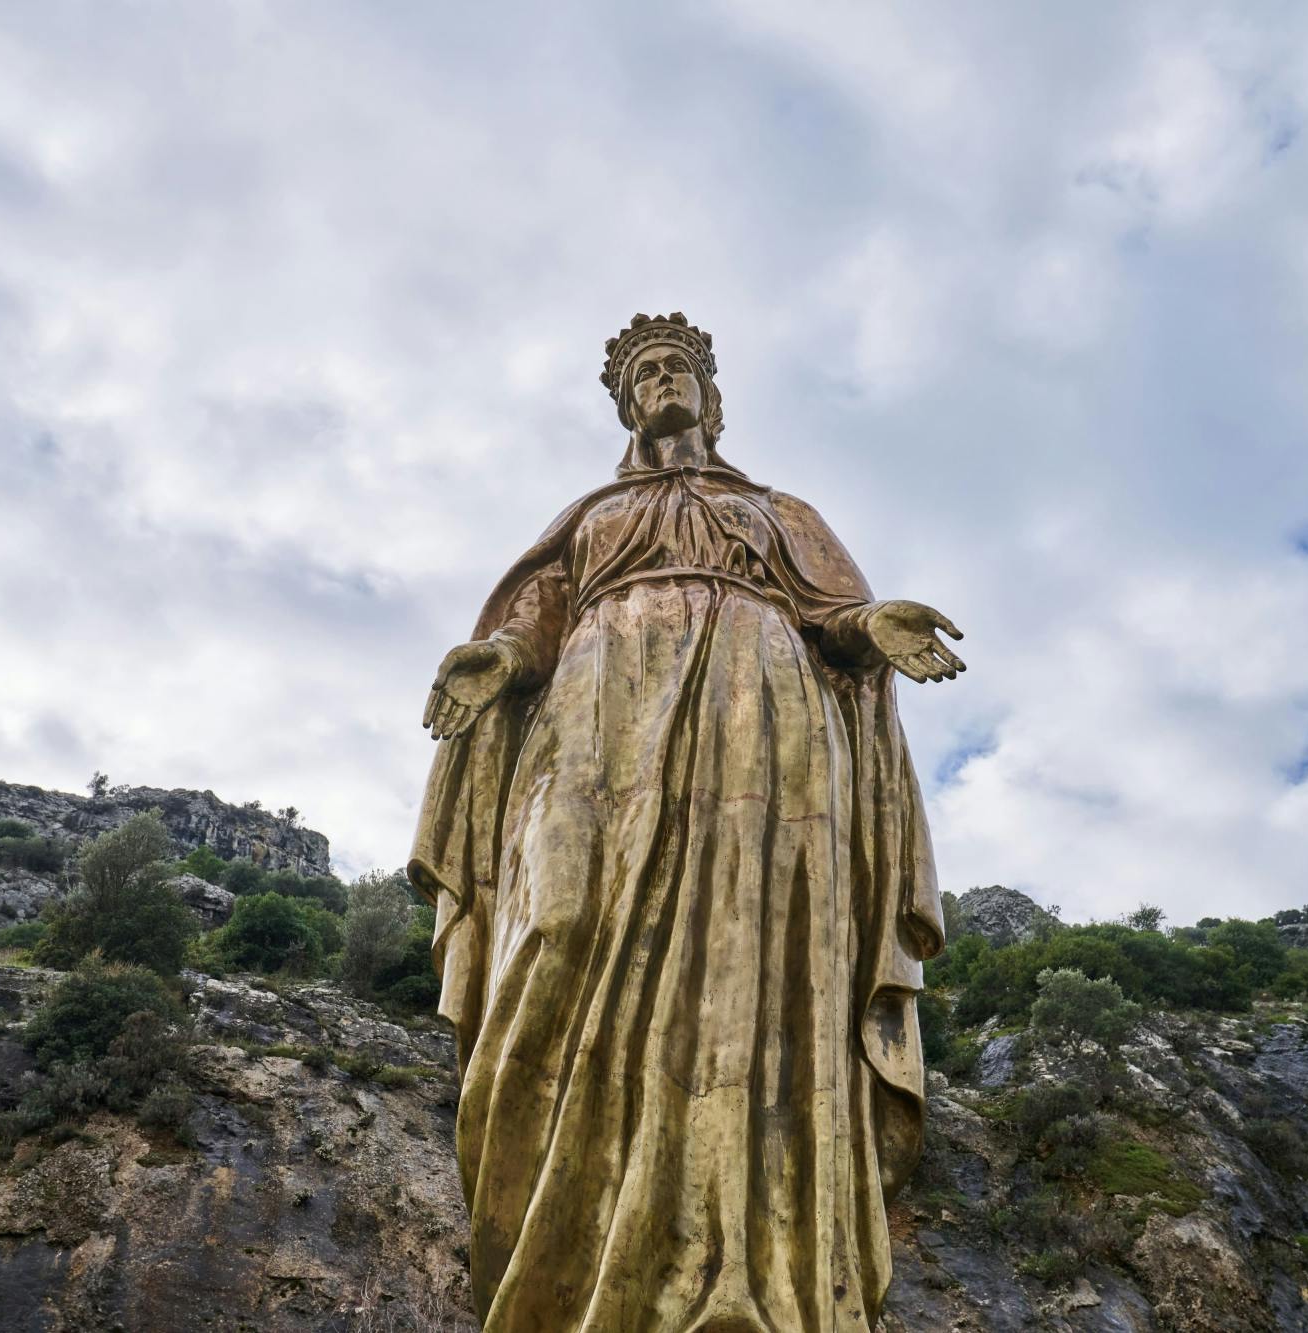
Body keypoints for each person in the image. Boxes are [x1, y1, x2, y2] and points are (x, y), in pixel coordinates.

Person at [409, 313, 961, 1330]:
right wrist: (496, 654)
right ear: (627, 406)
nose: (662, 381)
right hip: (595, 698)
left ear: (710, 397)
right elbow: (535, 609)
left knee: (746, 973)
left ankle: (737, 1276)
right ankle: (563, 1274)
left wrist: (870, 623)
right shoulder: (589, 517)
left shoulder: (773, 508)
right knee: (556, 922)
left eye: (678, 369)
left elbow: (830, 609)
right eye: (644, 374)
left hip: (759, 710)